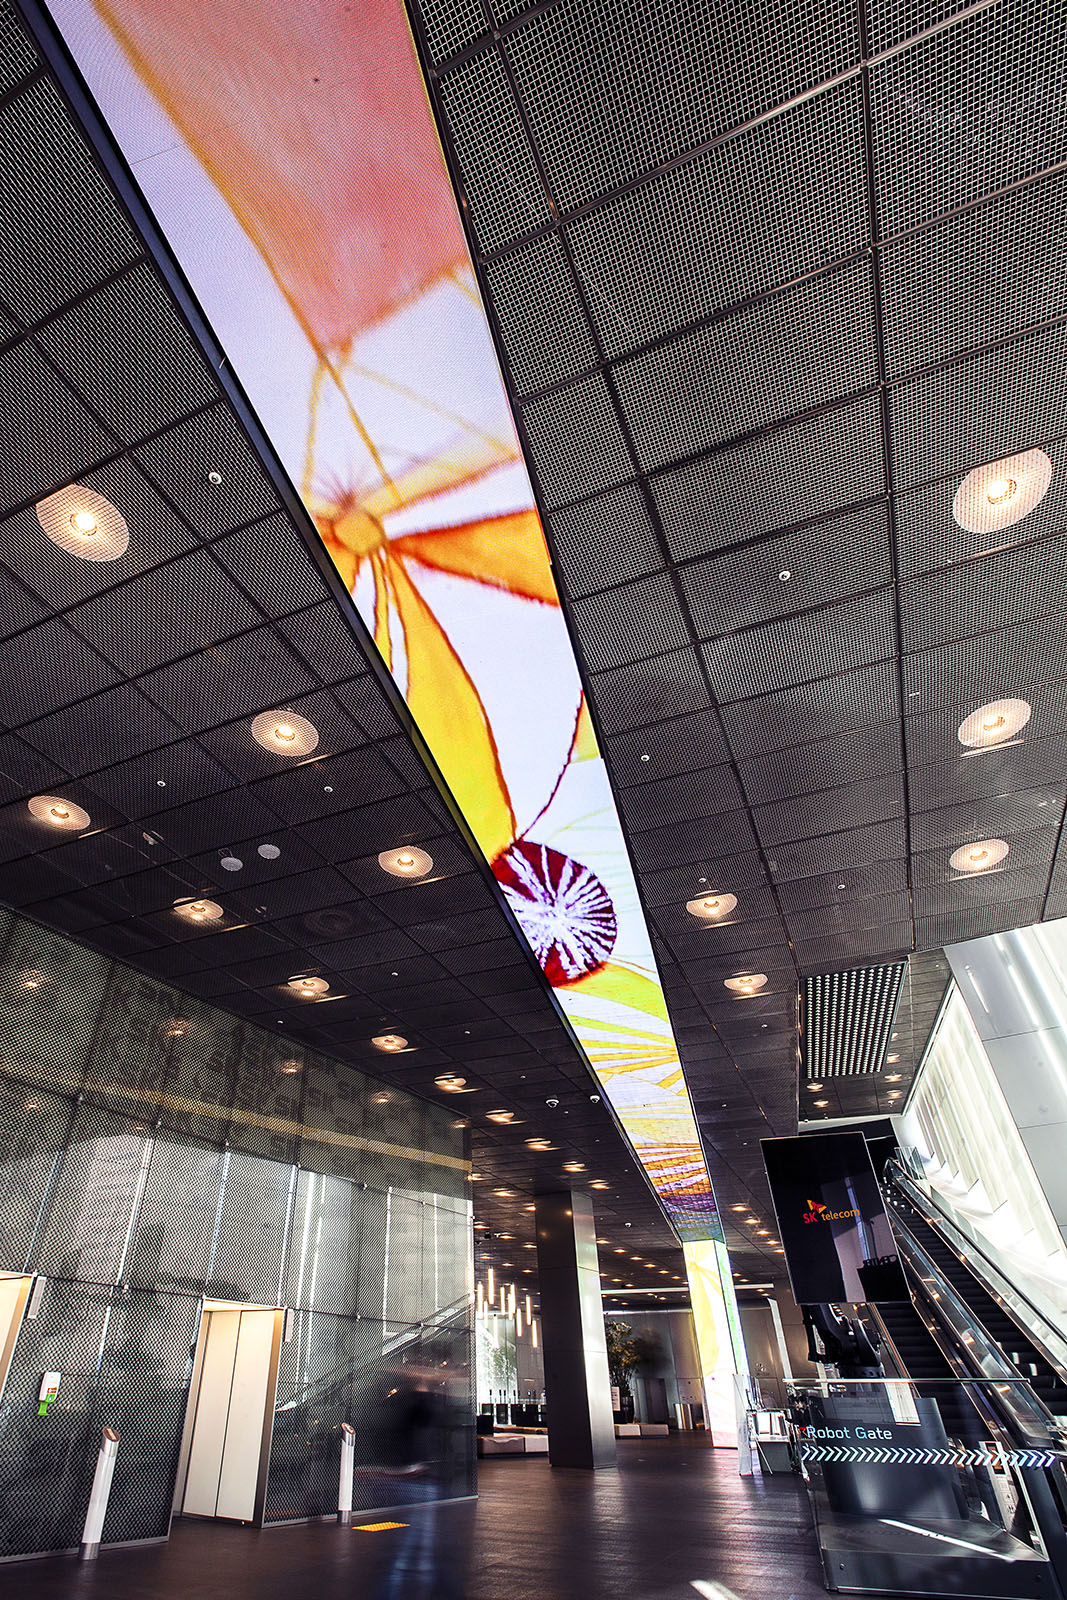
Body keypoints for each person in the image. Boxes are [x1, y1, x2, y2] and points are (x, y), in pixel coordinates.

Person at [368, 1359, 466, 1600]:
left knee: (413, 1556)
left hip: (419, 1484)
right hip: (417, 1485)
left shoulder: (408, 1404)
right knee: (410, 1556)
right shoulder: (417, 1406)